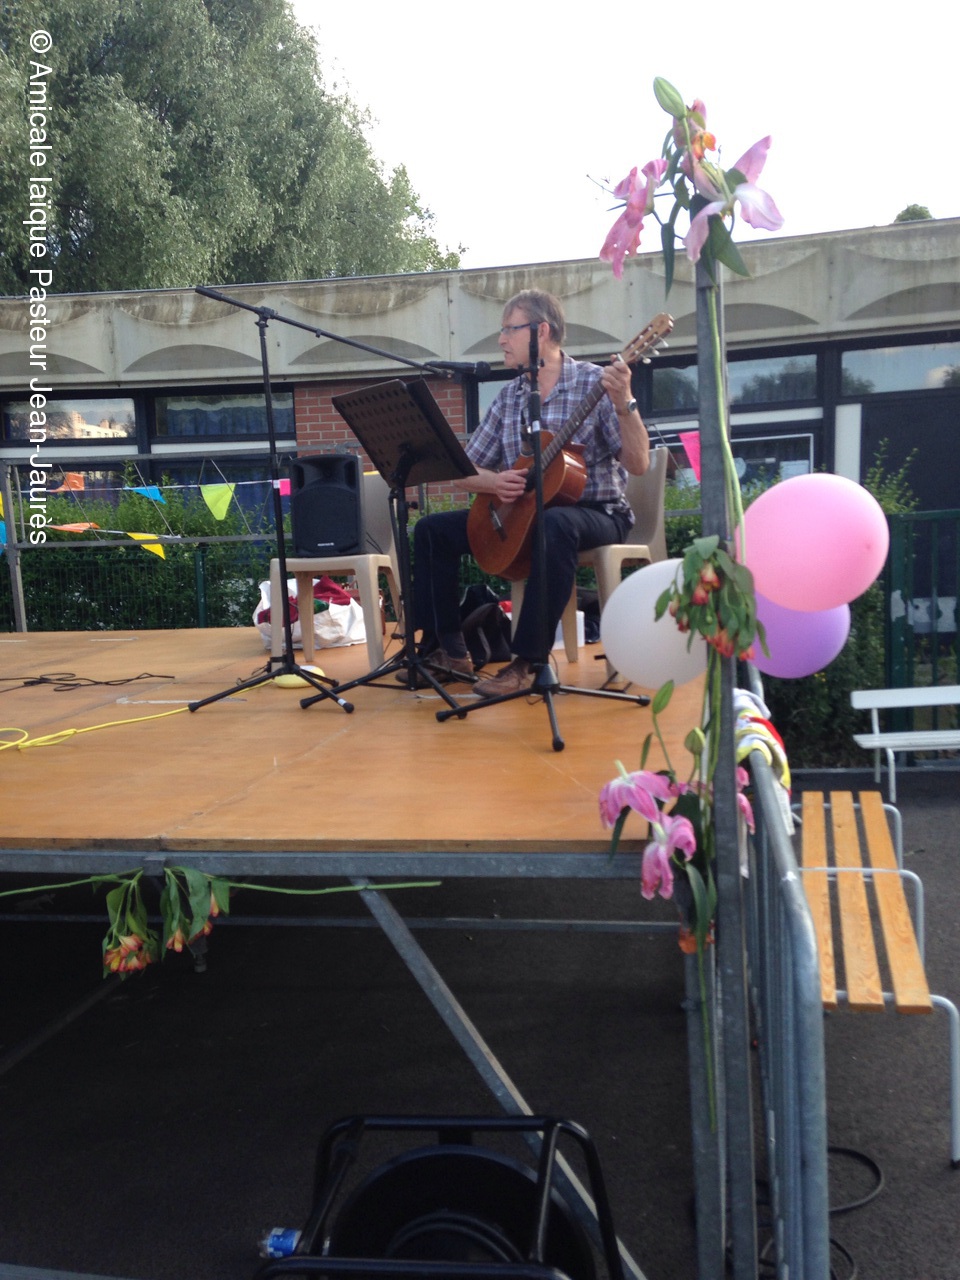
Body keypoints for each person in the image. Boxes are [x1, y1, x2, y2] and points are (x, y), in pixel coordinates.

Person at [410, 288, 650, 697]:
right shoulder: (510, 397)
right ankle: (447, 651)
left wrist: (625, 402)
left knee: (555, 523)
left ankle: (527, 663)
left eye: (509, 330)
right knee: (431, 531)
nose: (501, 340)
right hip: (528, 514)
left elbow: (639, 463)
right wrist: (495, 482)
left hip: (597, 513)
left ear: (542, 331)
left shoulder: (595, 384)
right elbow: (462, 471)